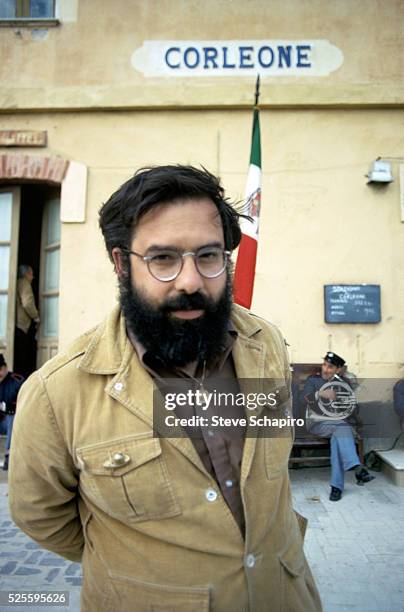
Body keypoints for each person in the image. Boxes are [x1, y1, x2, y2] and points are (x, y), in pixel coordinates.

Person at [9, 165, 322, 611]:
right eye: (163, 259)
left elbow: (268, 474)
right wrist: (142, 565)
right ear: (121, 264)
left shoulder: (264, 344)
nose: (191, 281)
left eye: (208, 256)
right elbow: (41, 515)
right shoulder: (57, 393)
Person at [302, 351, 374, 502]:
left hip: (339, 426)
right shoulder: (313, 380)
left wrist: (347, 403)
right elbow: (304, 398)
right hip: (317, 424)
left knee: (338, 437)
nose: (325, 369)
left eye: (330, 367)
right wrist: (321, 393)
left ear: (338, 370)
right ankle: (356, 467)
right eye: (324, 365)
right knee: (342, 429)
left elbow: (354, 410)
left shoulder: (344, 383)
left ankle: (336, 487)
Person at [14, 264, 40, 378]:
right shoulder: (24, 283)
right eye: (31, 273)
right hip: (21, 325)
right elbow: (27, 303)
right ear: (26, 274)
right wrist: (36, 316)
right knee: (22, 357)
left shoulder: (17, 282)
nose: (33, 277)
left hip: (16, 325)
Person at [0, 354, 24, 471]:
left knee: (12, 417)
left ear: (5, 367)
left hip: (11, 421)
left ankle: (9, 456)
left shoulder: (16, 381)